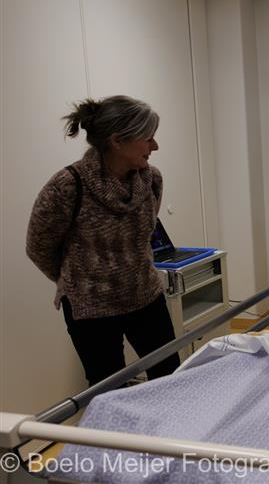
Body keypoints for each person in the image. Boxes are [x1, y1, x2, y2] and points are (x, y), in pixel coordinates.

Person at [26, 95, 180, 386]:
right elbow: (38, 247)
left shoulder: (152, 180)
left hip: (146, 297)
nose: (155, 146)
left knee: (170, 378)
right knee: (107, 390)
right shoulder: (67, 186)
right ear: (117, 141)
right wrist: (80, 280)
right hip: (91, 310)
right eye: (148, 138)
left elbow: (142, 237)